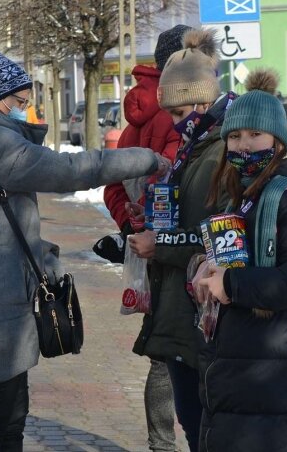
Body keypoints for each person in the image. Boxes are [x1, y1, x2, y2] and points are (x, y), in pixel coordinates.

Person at [0, 33, 170, 450]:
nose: (22, 111)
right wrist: (144, 159)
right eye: (17, 102)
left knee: (11, 416)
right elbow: (69, 170)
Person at [193, 69, 287, 451]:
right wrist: (205, 271)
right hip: (244, 369)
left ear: (278, 141)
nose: (244, 145)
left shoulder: (286, 199)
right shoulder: (241, 197)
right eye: (235, 136)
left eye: (255, 134)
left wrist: (233, 285)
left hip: (273, 375)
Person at [127, 28, 236, 451]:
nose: (174, 124)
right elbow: (189, 215)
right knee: (193, 424)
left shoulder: (219, 151)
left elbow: (221, 236)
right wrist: (153, 215)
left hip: (202, 315)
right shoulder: (195, 147)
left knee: (204, 428)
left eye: (178, 114)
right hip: (181, 309)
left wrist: (162, 245)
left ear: (203, 102)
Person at [100, 24, 188, 452]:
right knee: (185, 350)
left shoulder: (134, 117)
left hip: (149, 249)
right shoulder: (182, 114)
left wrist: (132, 224)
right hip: (183, 249)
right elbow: (179, 185)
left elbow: (113, 186)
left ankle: (161, 445)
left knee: (161, 350)